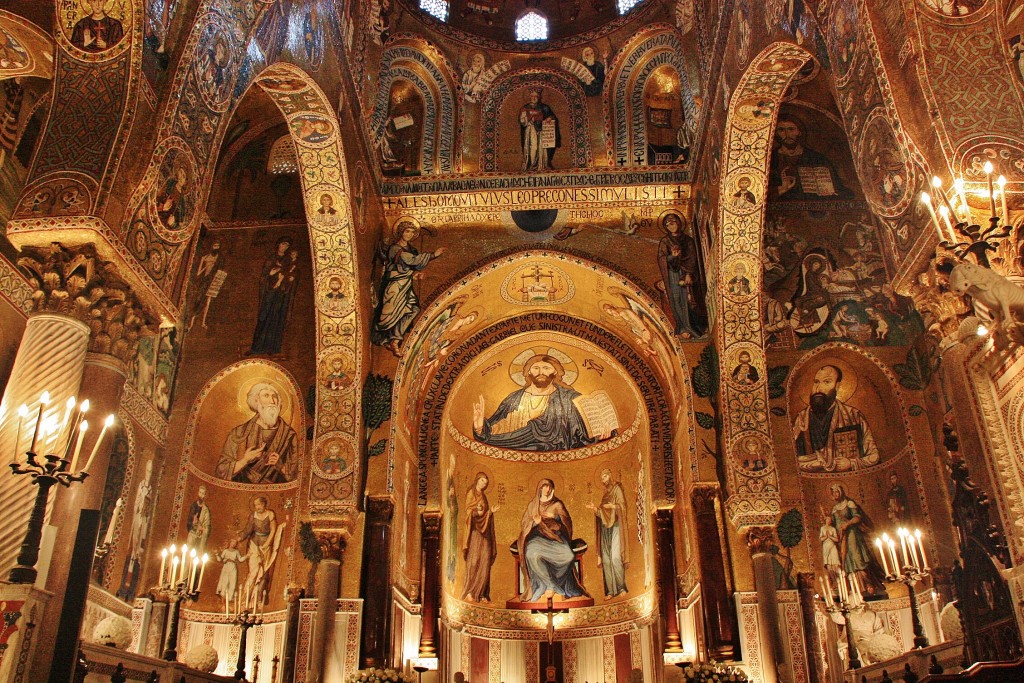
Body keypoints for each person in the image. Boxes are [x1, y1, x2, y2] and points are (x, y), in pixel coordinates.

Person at [473, 354, 605, 451]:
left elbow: (583, 432)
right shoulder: (513, 399)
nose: (541, 372)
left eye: (546, 368)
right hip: (516, 448)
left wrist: (600, 433)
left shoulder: (569, 398)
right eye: (536, 368)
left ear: (555, 372)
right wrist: (480, 428)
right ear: (528, 372)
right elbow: (494, 428)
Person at [371, 221, 445, 356]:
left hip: (405, 284)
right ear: (400, 232)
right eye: (407, 231)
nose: (409, 235)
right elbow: (411, 261)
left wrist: (415, 274)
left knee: (414, 309)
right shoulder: (395, 248)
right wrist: (433, 255)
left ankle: (395, 339)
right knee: (389, 315)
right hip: (395, 284)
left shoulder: (412, 249)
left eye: (412, 232)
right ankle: (386, 335)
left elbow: (411, 266)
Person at [793, 365, 880, 472]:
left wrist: (851, 463)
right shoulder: (802, 419)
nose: (818, 388)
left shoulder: (853, 416)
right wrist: (816, 463)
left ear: (837, 386)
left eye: (826, 382)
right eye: (816, 382)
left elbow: (874, 456)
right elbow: (792, 458)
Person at [517, 479, 588, 602]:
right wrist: (536, 522)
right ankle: (549, 585)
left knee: (568, 556)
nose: (547, 489)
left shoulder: (557, 505)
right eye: (544, 487)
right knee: (531, 554)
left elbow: (567, 523)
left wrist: (554, 517)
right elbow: (525, 524)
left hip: (556, 537)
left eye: (549, 487)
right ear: (539, 488)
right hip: (537, 538)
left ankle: (555, 582)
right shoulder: (533, 505)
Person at [216, 383, 298, 483]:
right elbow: (221, 471)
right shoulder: (238, 433)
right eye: (266, 396)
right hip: (241, 491)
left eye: (274, 396)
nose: (272, 401)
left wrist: (280, 466)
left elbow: (297, 476)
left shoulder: (289, 435)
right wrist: (245, 460)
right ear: (256, 401)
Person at [769, 114, 850, 200]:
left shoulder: (818, 158)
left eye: (791, 129)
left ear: (799, 132)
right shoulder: (771, 159)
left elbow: (838, 189)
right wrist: (781, 189)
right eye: (781, 130)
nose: (787, 134)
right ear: (776, 134)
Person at [830, 484, 885, 596]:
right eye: (834, 492)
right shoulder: (834, 509)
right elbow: (834, 523)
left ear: (841, 492)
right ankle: (853, 586)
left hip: (852, 534)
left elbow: (857, 517)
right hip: (841, 537)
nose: (836, 494)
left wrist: (848, 524)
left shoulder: (849, 503)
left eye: (837, 492)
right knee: (846, 560)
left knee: (857, 557)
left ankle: (868, 584)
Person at [657, 213, 705, 338]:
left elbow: (692, 258)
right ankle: (683, 327)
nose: (670, 227)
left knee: (689, 299)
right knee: (676, 299)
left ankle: (693, 326)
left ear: (678, 223)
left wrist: (689, 273)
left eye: (672, 224)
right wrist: (673, 256)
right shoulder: (665, 241)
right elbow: (661, 258)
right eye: (667, 225)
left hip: (686, 273)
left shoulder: (688, 241)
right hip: (673, 275)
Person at [249, 236, 298, 356]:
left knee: (275, 317)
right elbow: (265, 275)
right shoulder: (271, 259)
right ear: (278, 245)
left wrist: (288, 279)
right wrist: (272, 273)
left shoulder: (287, 260)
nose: (284, 247)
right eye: (283, 244)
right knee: (263, 317)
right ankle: (256, 348)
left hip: (280, 292)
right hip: (269, 292)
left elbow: (289, 274)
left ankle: (272, 347)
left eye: (287, 245)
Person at [586, 469, 629, 598]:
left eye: (604, 476)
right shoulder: (604, 496)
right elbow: (602, 514)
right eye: (601, 478)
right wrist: (595, 509)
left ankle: (621, 587)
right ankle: (610, 591)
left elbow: (623, 507)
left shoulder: (617, 490)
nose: (603, 480)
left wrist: (613, 507)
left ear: (610, 476)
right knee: (606, 560)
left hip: (616, 526)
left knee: (615, 557)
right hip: (605, 529)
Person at [238, 496, 282, 610]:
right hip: (253, 545)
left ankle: (257, 599)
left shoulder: (270, 514)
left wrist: (267, 544)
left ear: (264, 504)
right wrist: (239, 538)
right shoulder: (253, 515)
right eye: (255, 505)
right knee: (253, 573)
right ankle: (244, 601)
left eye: (258, 505)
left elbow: (273, 530)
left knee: (263, 573)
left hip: (265, 546)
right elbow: (248, 530)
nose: (257, 507)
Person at [462, 473, 499, 602]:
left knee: (485, 562)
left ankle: (482, 593)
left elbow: (486, 515)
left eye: (486, 482)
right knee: (474, 561)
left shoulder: (484, 497)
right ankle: (470, 591)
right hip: (475, 533)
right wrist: (476, 512)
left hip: (485, 535)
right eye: (482, 480)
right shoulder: (471, 493)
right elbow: (467, 512)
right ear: (477, 480)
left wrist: (490, 512)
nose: (484, 483)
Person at [519, 89, 559, 171]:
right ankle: (531, 165)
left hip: (541, 130)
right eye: (532, 96)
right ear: (529, 97)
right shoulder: (525, 108)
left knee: (541, 148)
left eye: (536, 96)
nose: (534, 98)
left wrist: (549, 118)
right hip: (530, 130)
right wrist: (526, 119)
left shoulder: (544, 107)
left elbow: (552, 116)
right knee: (533, 148)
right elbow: (522, 121)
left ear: (539, 97)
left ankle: (542, 165)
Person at [215, 539, 247, 613]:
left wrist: (247, 556)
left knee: (232, 585)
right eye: (232, 542)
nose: (233, 544)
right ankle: (223, 604)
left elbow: (240, 559)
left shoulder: (236, 552)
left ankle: (227, 604)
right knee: (224, 584)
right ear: (230, 543)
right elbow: (220, 559)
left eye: (235, 543)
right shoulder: (225, 551)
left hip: (233, 568)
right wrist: (217, 555)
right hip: (226, 567)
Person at [185, 485, 211, 553]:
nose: (201, 495)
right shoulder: (193, 506)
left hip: (200, 536)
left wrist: (202, 529)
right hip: (192, 533)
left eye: (203, 493)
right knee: (188, 552)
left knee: (197, 553)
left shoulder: (206, 510)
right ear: (198, 493)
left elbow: (207, 526)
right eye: (200, 492)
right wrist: (193, 523)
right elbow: (189, 521)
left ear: (205, 495)